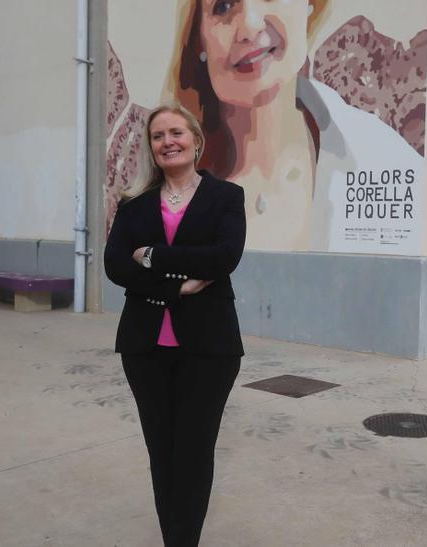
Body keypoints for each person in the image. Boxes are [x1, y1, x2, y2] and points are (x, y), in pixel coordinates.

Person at [164, 0, 422, 253]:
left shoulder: (386, 158)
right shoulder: (171, 185)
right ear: (198, 38)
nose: (249, 25)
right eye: (223, 5)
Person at [104, 104, 246, 547]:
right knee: (161, 453)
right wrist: (175, 288)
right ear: (151, 147)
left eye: (176, 133)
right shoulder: (134, 205)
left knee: (193, 453)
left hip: (208, 348)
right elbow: (113, 266)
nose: (168, 142)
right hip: (145, 348)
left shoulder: (226, 197)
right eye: (158, 136)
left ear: (196, 140)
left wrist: (152, 256)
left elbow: (223, 257)